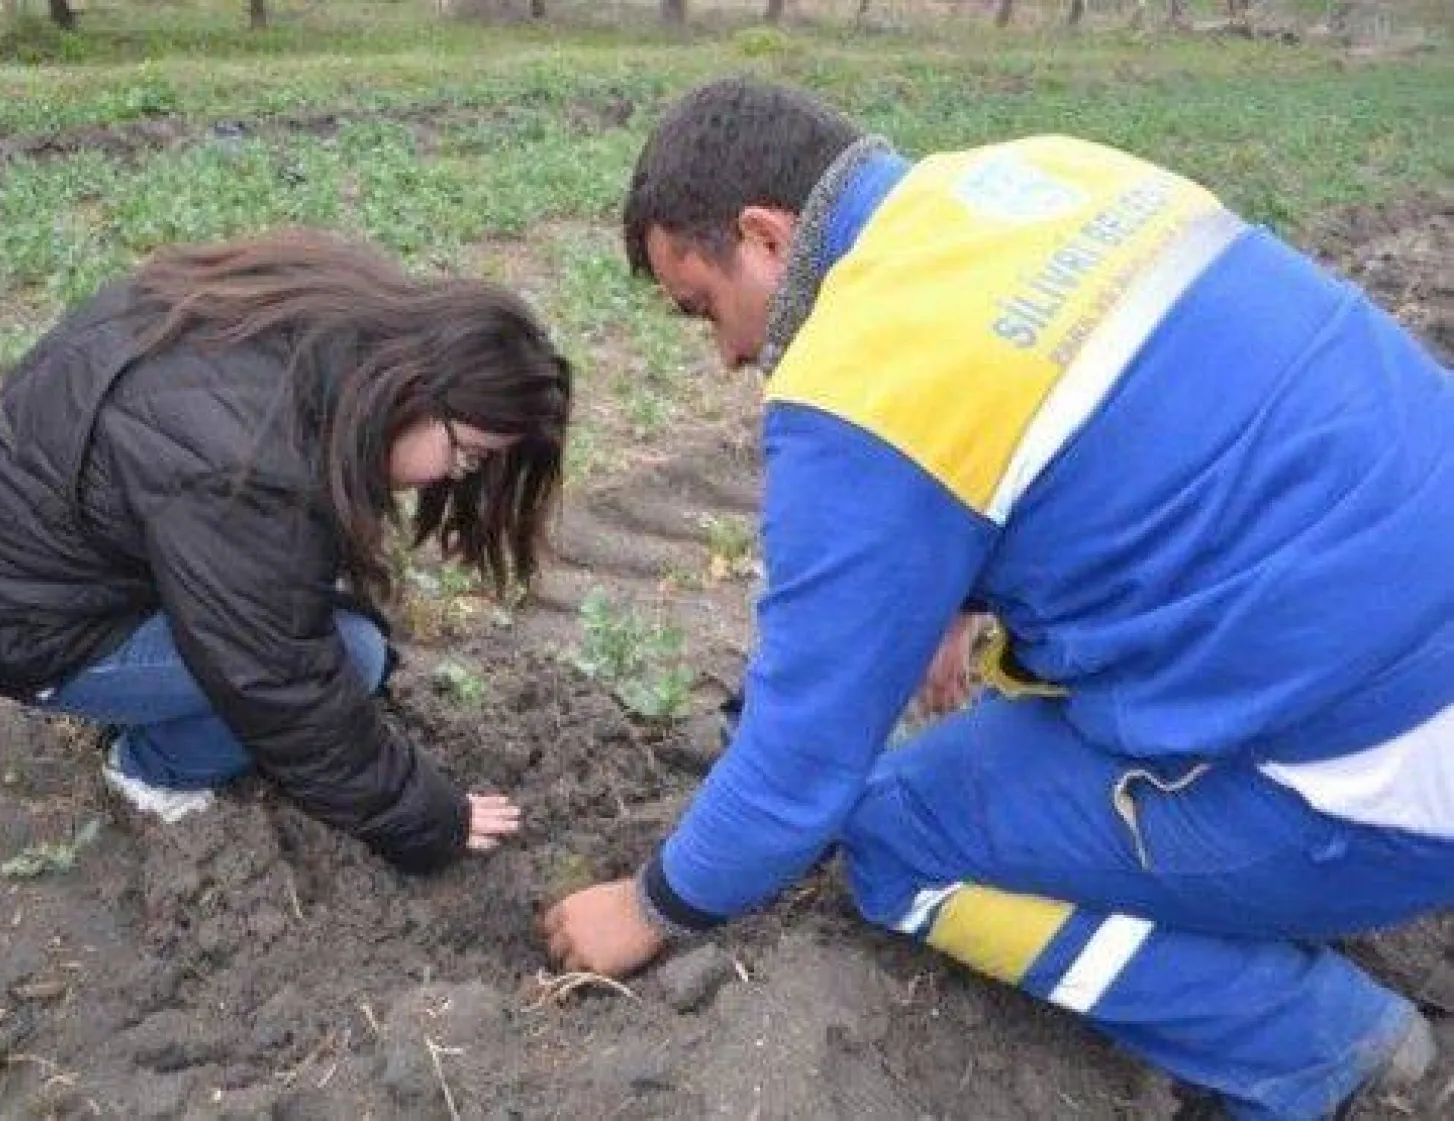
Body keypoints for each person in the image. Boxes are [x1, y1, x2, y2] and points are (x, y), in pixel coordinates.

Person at [543, 78, 1452, 1119]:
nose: (729, 354)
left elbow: (798, 770)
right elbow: (1118, 432)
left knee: (894, 833)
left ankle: (1317, 1044)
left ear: (764, 236)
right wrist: (955, 589)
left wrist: (651, 905)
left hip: (1391, 783)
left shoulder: (859, 379)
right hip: (1403, 632)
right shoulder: (1051, 175)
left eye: (705, 307)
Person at [0, 231, 572, 874]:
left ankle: (147, 698)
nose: (453, 477)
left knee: (325, 636)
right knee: (351, 657)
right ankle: (149, 771)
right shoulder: (249, 464)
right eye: (467, 456)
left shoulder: (321, 313)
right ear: (418, 388)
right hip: (25, 628)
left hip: (24, 562)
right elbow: (278, 681)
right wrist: (425, 816)